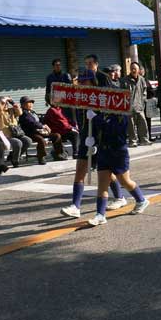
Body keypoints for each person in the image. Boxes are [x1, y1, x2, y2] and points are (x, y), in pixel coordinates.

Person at [60, 69, 127, 218]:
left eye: (86, 80)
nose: (82, 83)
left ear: (93, 81)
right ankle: (75, 206)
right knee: (80, 170)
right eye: (80, 80)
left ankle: (120, 197)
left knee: (107, 173)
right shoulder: (78, 97)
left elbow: (108, 119)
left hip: (100, 138)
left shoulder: (101, 97)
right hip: (85, 137)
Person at [87, 111, 149, 226]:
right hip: (103, 152)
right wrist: (91, 141)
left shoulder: (122, 115)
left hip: (118, 152)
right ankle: (100, 215)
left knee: (125, 181)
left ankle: (141, 200)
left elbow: (114, 130)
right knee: (102, 184)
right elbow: (96, 132)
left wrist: (96, 119)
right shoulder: (100, 115)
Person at [18, 96, 65, 165]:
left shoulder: (32, 112)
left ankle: (58, 154)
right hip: (31, 133)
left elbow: (40, 121)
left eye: (31, 102)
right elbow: (32, 123)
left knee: (57, 135)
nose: (31, 104)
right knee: (41, 140)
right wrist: (43, 126)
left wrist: (45, 126)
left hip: (40, 131)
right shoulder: (23, 113)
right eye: (29, 102)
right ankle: (41, 157)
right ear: (23, 104)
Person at [0, 96, 32, 167]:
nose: (6, 104)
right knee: (17, 143)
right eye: (3, 103)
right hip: (5, 136)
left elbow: (20, 113)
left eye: (7, 103)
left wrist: (13, 103)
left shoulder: (11, 110)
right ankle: (15, 160)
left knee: (28, 140)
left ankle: (13, 155)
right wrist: (4, 100)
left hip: (16, 134)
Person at [123, 62, 150, 147]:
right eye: (132, 68)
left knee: (143, 124)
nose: (133, 70)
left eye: (135, 68)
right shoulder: (125, 80)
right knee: (131, 126)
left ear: (139, 70)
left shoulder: (142, 79)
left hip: (140, 106)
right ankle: (132, 141)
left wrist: (143, 101)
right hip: (129, 107)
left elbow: (144, 91)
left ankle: (144, 139)